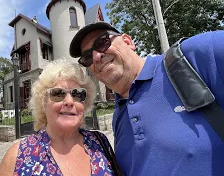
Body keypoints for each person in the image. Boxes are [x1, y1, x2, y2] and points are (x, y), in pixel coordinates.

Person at [69, 21, 224, 175]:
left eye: (102, 42)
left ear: (127, 42)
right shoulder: (119, 115)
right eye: (87, 57)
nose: (96, 56)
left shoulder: (197, 55)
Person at [0, 60, 116, 176]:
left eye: (78, 94)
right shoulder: (17, 156)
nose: (69, 101)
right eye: (58, 93)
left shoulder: (101, 143)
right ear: (43, 102)